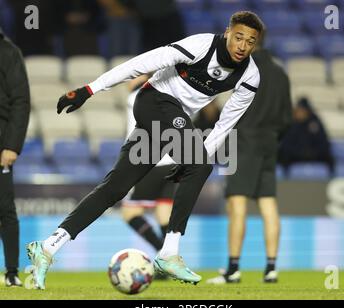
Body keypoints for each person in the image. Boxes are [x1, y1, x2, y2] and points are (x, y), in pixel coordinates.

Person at [26, 11, 263, 290]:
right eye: (238, 37)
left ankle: (47, 247)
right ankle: (168, 253)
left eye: (250, 41)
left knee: (113, 189)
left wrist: (194, 161)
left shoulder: (250, 77)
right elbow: (141, 64)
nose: (242, 46)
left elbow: (224, 125)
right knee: (200, 163)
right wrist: (90, 89)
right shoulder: (200, 46)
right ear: (227, 33)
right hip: (153, 101)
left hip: (169, 121)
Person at [207, 33, 292, 284]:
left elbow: (234, 109)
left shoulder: (246, 70)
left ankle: (233, 269)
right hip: (270, 143)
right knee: (268, 204)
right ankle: (271, 268)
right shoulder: (281, 73)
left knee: (237, 205)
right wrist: (274, 137)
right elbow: (287, 118)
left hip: (244, 142)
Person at [121, 75, 175, 254]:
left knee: (130, 213)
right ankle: (168, 258)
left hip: (149, 161)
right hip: (174, 160)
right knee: (164, 212)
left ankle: (161, 250)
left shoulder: (136, 96)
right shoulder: (171, 96)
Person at [0, 27, 30, 287]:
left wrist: (12, 145)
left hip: (0, 145)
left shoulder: (8, 52)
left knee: (5, 209)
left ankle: (11, 272)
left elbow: (21, 101)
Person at [278, 97, 335, 175]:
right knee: (282, 156)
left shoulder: (315, 123)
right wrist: (299, 152)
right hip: (296, 155)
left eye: (303, 110)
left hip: (314, 155)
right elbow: (286, 144)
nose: (301, 113)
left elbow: (323, 143)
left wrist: (311, 153)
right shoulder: (291, 123)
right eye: (299, 110)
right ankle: (286, 179)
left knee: (329, 157)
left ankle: (331, 178)